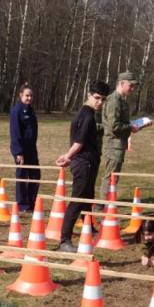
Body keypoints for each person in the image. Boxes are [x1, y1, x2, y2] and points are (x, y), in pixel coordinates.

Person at [55, 81, 108, 252]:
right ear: (89, 95)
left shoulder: (88, 113)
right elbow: (78, 142)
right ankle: (64, 240)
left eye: (103, 99)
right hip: (83, 163)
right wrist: (68, 156)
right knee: (77, 201)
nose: (100, 102)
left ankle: (89, 228)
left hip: (88, 162)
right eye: (97, 98)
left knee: (88, 198)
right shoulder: (86, 115)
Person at [99, 71, 138, 200]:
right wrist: (130, 127)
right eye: (130, 85)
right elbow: (114, 126)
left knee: (114, 176)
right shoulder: (114, 100)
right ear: (121, 83)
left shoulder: (121, 100)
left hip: (118, 144)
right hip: (113, 145)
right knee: (110, 176)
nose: (132, 89)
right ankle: (102, 205)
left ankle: (108, 202)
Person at [9, 83, 40, 212]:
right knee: (22, 176)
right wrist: (18, 152)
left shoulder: (31, 110)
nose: (29, 98)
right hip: (21, 150)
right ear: (21, 95)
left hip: (31, 149)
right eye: (27, 95)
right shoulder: (16, 111)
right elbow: (15, 133)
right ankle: (22, 205)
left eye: (31, 96)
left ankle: (31, 202)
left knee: (35, 175)